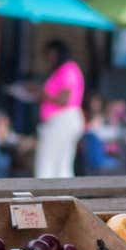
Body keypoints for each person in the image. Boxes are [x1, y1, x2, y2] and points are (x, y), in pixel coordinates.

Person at [35, 40, 85, 178]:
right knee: (62, 165)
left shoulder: (68, 69)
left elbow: (64, 99)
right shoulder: (64, 70)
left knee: (47, 163)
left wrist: (43, 95)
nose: (48, 59)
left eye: (49, 54)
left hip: (62, 120)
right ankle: (62, 198)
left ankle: (44, 197)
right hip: (65, 120)